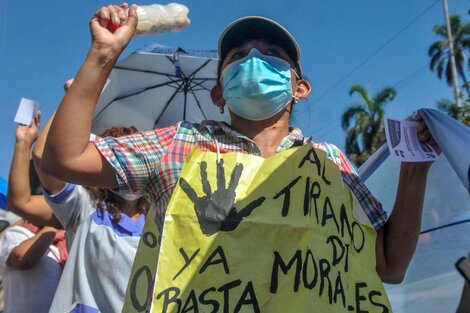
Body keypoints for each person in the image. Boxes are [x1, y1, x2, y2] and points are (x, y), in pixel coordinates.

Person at [41, 4, 440, 311]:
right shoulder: (181, 144)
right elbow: (65, 159)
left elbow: (389, 264)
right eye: (237, 56)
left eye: (271, 54)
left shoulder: (329, 163)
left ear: (300, 88)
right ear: (218, 94)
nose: (252, 60)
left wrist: (415, 171)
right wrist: (103, 53)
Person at [34, 95, 149, 312]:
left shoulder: (158, 225)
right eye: (119, 159)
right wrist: (71, 97)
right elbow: (43, 157)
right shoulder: (85, 208)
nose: (129, 168)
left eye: (138, 158)